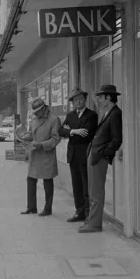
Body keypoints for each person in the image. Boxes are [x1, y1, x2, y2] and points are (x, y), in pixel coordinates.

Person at [79, 84, 123, 233]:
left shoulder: (115, 113)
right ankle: (92, 219)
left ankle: (95, 224)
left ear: (109, 97)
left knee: (96, 192)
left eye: (101, 97)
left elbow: (117, 139)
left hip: (100, 157)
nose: (98, 100)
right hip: (94, 155)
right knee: (92, 191)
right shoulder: (107, 112)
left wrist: (105, 153)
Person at [59, 88, 98, 223]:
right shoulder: (70, 116)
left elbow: (87, 133)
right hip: (73, 155)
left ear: (85, 100)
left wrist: (70, 132)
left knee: (86, 185)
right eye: (76, 100)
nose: (78, 101)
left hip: (85, 154)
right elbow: (60, 130)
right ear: (72, 102)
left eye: (81, 99)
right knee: (76, 185)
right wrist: (74, 131)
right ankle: (79, 212)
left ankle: (88, 214)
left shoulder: (91, 115)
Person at [19, 98, 61, 216]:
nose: (36, 114)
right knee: (31, 179)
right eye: (35, 112)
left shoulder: (54, 119)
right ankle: (31, 207)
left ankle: (48, 208)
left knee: (47, 181)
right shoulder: (35, 119)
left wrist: (42, 144)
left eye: (37, 111)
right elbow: (32, 133)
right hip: (35, 153)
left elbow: (56, 139)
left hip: (46, 154)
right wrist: (25, 136)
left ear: (43, 108)